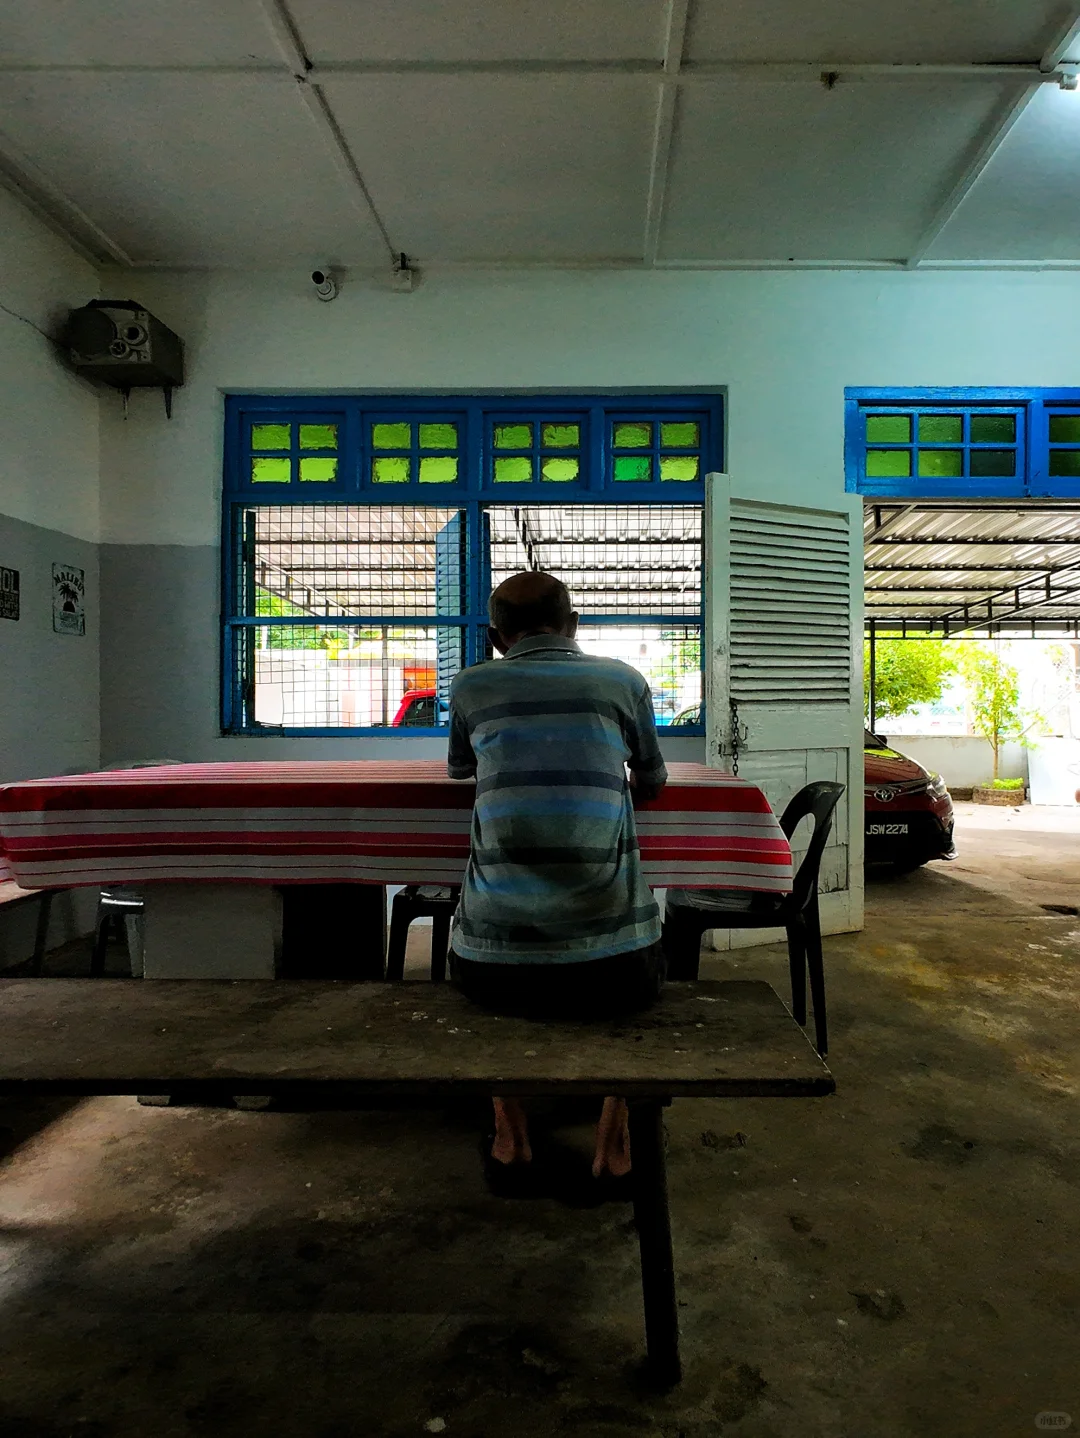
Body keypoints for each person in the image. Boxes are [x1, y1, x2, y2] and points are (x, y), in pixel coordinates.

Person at [446, 570, 668, 1192]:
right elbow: (652, 775)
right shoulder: (622, 681)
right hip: (613, 965)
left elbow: (461, 769)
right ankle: (614, 1146)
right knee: (640, 975)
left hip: (493, 964)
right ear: (573, 625)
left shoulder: (472, 685)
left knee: (476, 974)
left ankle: (512, 1138)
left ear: (496, 637)